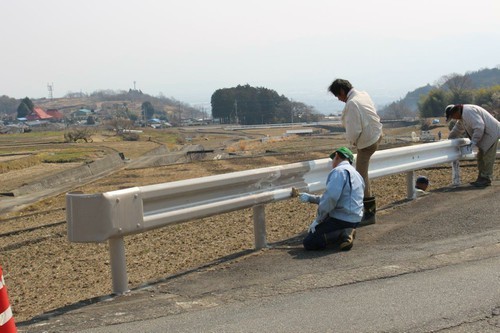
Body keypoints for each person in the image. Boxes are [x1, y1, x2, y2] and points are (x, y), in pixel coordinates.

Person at [328, 79, 383, 225]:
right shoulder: (363, 94)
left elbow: (354, 130)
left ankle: (370, 214)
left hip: (367, 141)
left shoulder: (352, 103)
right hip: (376, 134)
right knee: (362, 174)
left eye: (337, 96)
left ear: (341, 91)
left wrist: (352, 142)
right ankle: (368, 211)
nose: (339, 99)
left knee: (360, 177)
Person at [297, 147, 365, 251]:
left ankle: (343, 233)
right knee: (318, 233)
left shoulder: (338, 171)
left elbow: (331, 198)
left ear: (337, 156)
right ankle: (346, 233)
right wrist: (310, 198)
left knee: (309, 242)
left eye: (333, 159)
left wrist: (318, 219)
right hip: (355, 219)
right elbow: (337, 197)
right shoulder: (357, 174)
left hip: (341, 219)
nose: (332, 162)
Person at [445, 104, 500, 187]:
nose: (453, 118)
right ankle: (482, 178)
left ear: (456, 112)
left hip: (492, 133)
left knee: (487, 157)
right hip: (487, 135)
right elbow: (457, 129)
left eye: (452, 116)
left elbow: (479, 127)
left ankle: (486, 178)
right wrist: (450, 138)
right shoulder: (462, 116)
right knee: (480, 157)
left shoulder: (468, 112)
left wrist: (474, 141)